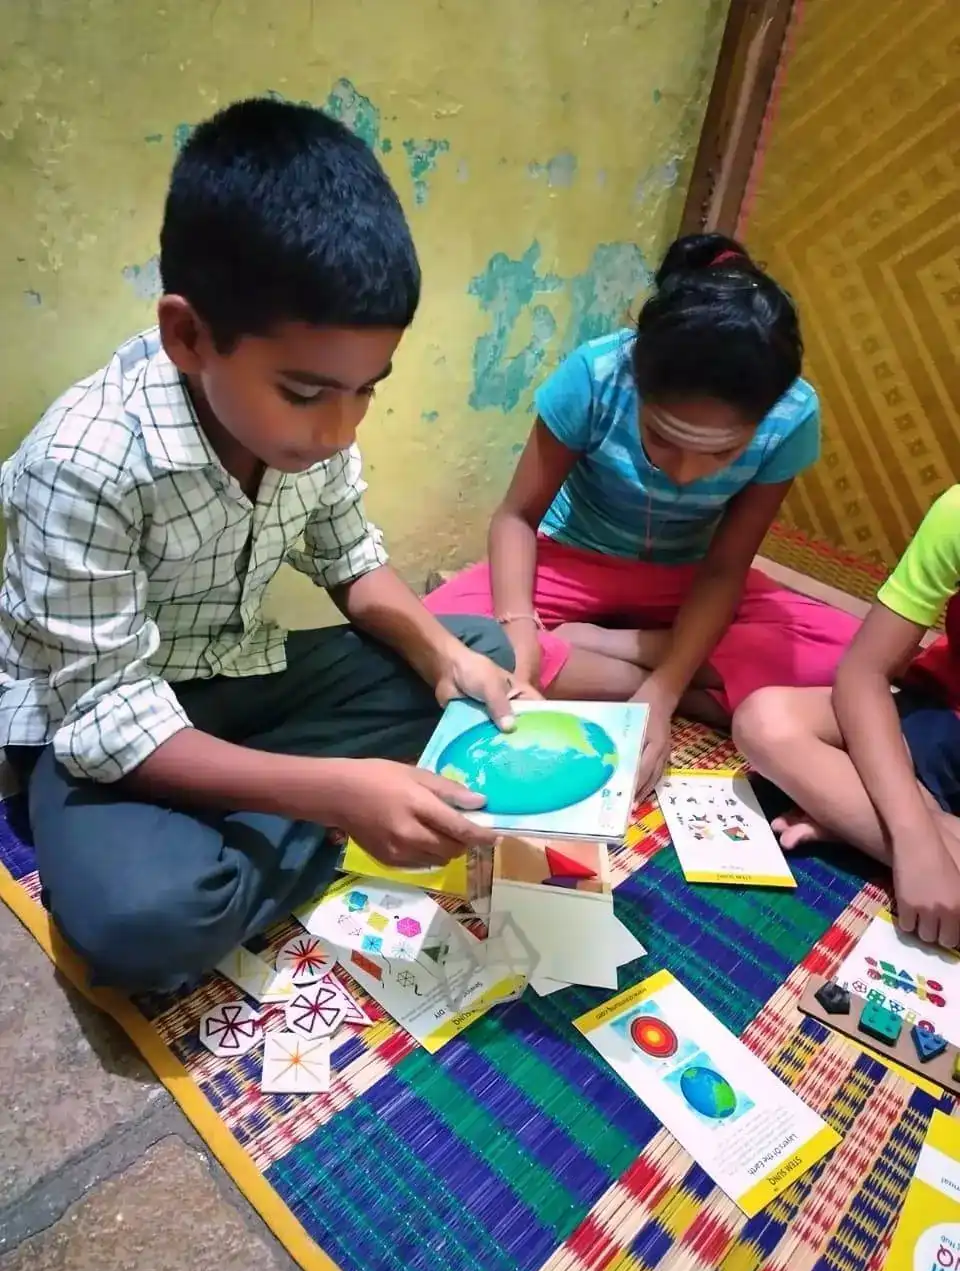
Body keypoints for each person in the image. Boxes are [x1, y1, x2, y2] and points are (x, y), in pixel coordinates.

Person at [0, 98, 518, 992]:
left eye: (368, 392)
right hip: (102, 723)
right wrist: (337, 796)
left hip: (238, 675)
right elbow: (106, 719)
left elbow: (351, 557)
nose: (341, 427)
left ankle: (281, 801)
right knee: (147, 927)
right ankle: (324, 805)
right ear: (188, 334)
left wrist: (436, 651)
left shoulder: (312, 430)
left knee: (478, 654)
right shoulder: (86, 460)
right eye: (308, 391)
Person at [426, 233, 860, 795]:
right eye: (662, 438)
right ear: (637, 380)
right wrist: (522, 630)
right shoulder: (596, 374)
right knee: (436, 633)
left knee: (849, 656)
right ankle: (686, 679)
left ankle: (614, 653)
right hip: (573, 559)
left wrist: (665, 689)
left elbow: (726, 567)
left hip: (691, 576)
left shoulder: (793, 415)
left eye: (721, 453)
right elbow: (516, 518)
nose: (684, 473)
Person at [734, 486, 960, 950]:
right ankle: (911, 831)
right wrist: (914, 836)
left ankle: (855, 814)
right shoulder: (957, 512)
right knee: (765, 719)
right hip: (943, 718)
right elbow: (863, 672)